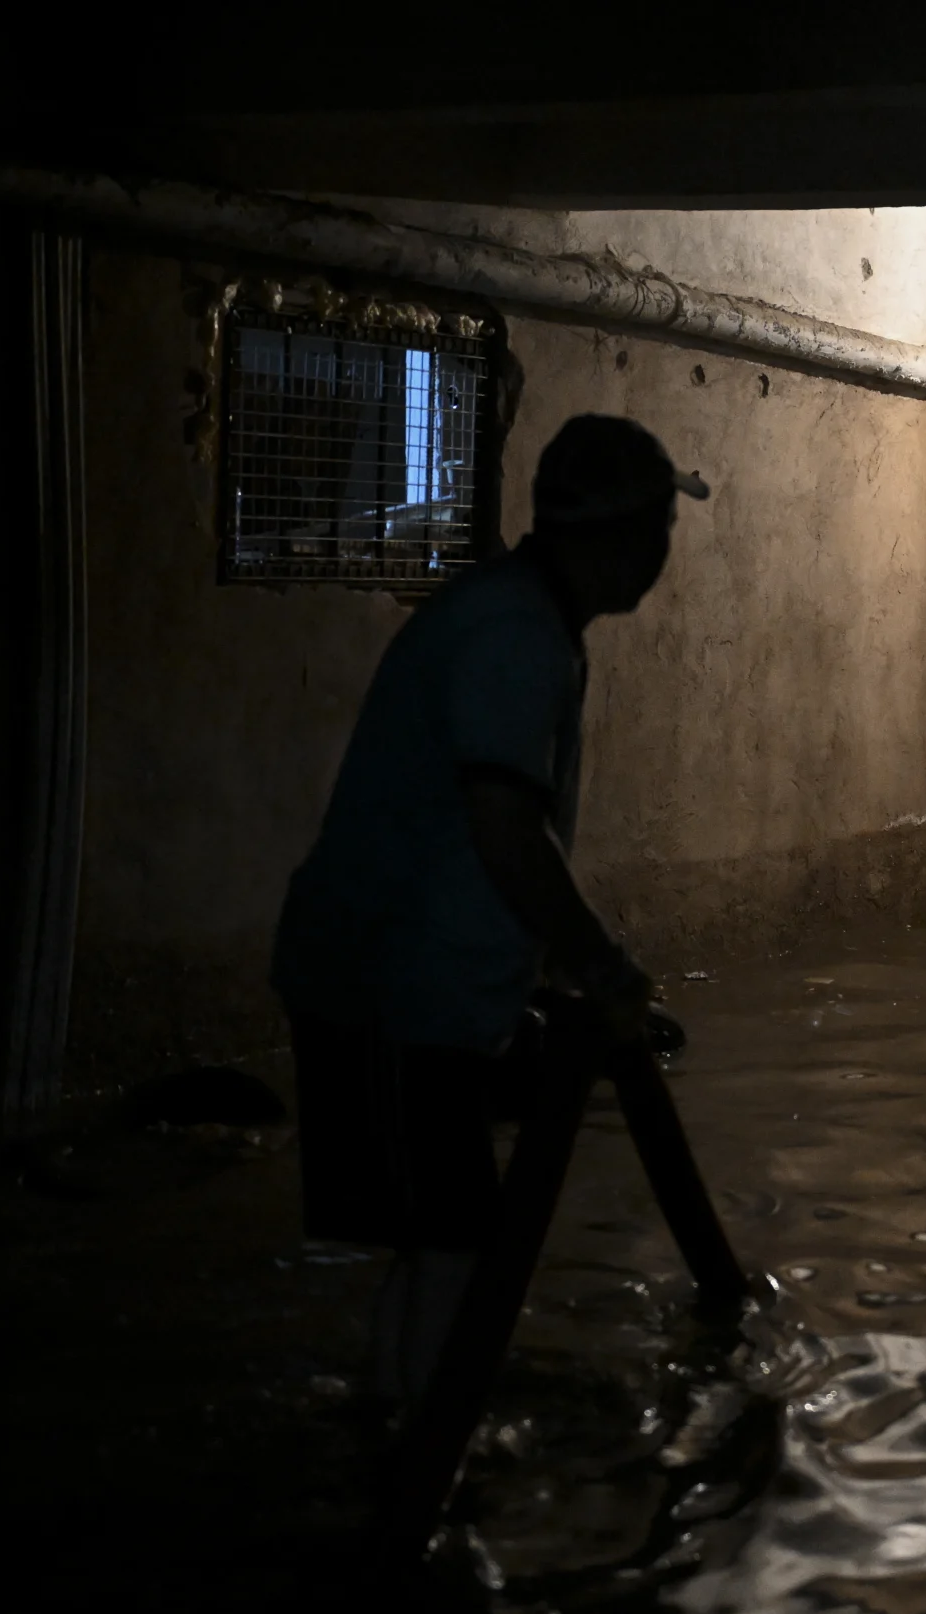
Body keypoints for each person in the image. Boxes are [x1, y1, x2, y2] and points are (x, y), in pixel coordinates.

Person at [270, 414, 708, 1412]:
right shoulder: (515, 634)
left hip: (400, 983)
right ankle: (423, 1463)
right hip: (387, 987)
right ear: (618, 536)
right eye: (659, 526)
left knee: (442, 1240)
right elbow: (505, 830)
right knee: (457, 1243)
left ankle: (400, 1432)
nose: (664, 550)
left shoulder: (522, 618)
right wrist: (599, 966)